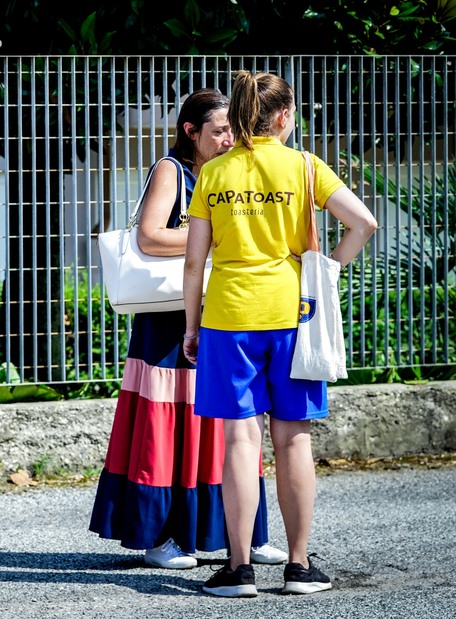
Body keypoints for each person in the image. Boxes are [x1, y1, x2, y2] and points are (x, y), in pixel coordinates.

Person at [183, 71, 377, 597]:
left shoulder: (214, 172)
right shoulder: (306, 167)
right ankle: (297, 566)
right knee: (294, 439)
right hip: (294, 316)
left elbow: (194, 260)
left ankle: (239, 568)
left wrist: (191, 326)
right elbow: (363, 224)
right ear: (284, 117)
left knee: (239, 440)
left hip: (229, 318)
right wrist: (327, 270)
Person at [89, 89, 288, 569]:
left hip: (220, 312)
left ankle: (248, 534)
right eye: (218, 131)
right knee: (167, 428)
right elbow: (150, 235)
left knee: (229, 425)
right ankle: (162, 537)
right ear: (190, 131)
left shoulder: (234, 168)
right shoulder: (170, 171)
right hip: (166, 319)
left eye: (232, 130)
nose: (227, 139)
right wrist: (213, 233)